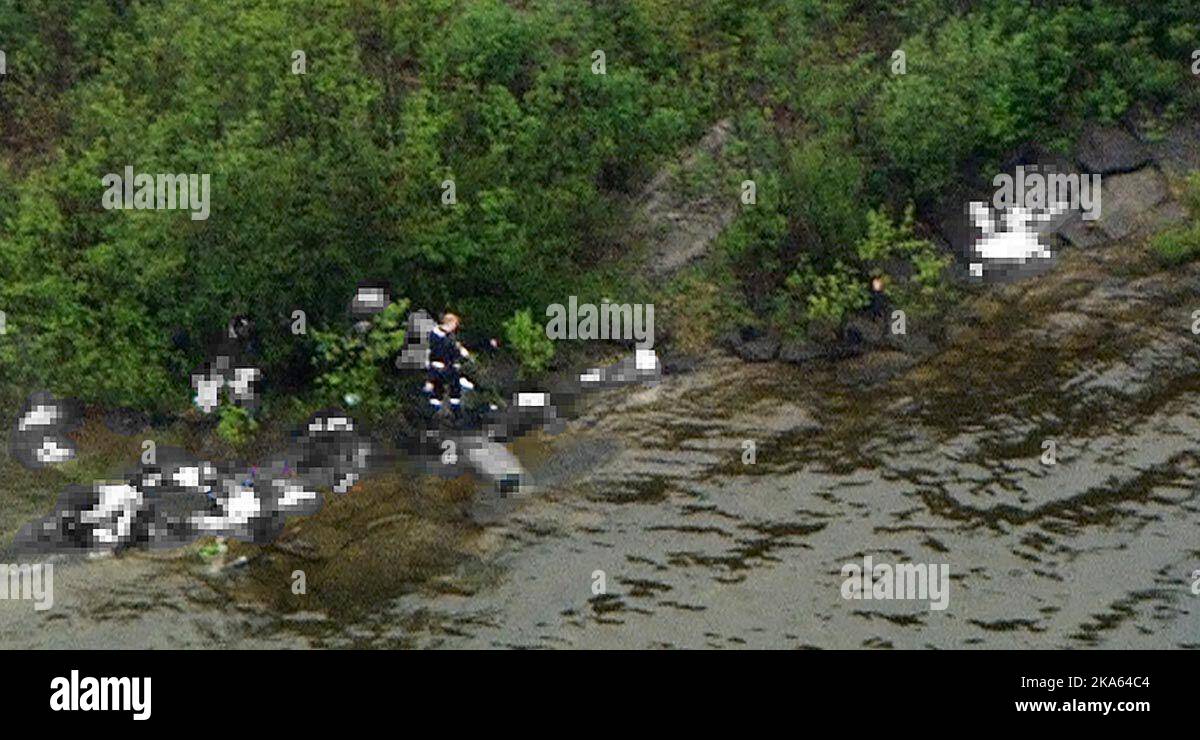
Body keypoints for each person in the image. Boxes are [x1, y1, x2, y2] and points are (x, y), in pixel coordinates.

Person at [422, 312, 475, 418]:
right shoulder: (438, 336)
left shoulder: (446, 335)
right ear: (450, 323)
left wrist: (460, 349)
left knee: (445, 389)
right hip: (439, 368)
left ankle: (445, 411)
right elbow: (443, 351)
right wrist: (459, 352)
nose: (456, 327)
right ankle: (445, 413)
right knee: (449, 386)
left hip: (441, 368)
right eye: (455, 324)